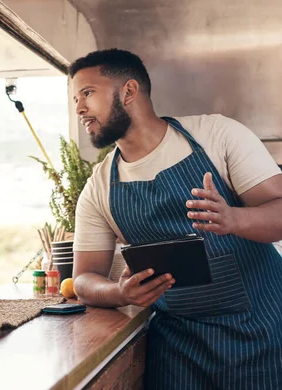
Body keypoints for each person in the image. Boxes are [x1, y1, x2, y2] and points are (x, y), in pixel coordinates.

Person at [70, 49, 282, 388]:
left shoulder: (217, 136)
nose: (79, 107)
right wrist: (119, 292)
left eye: (88, 93)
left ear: (128, 91)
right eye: (76, 98)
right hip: (178, 348)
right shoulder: (99, 186)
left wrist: (233, 220)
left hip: (263, 332)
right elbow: (84, 277)